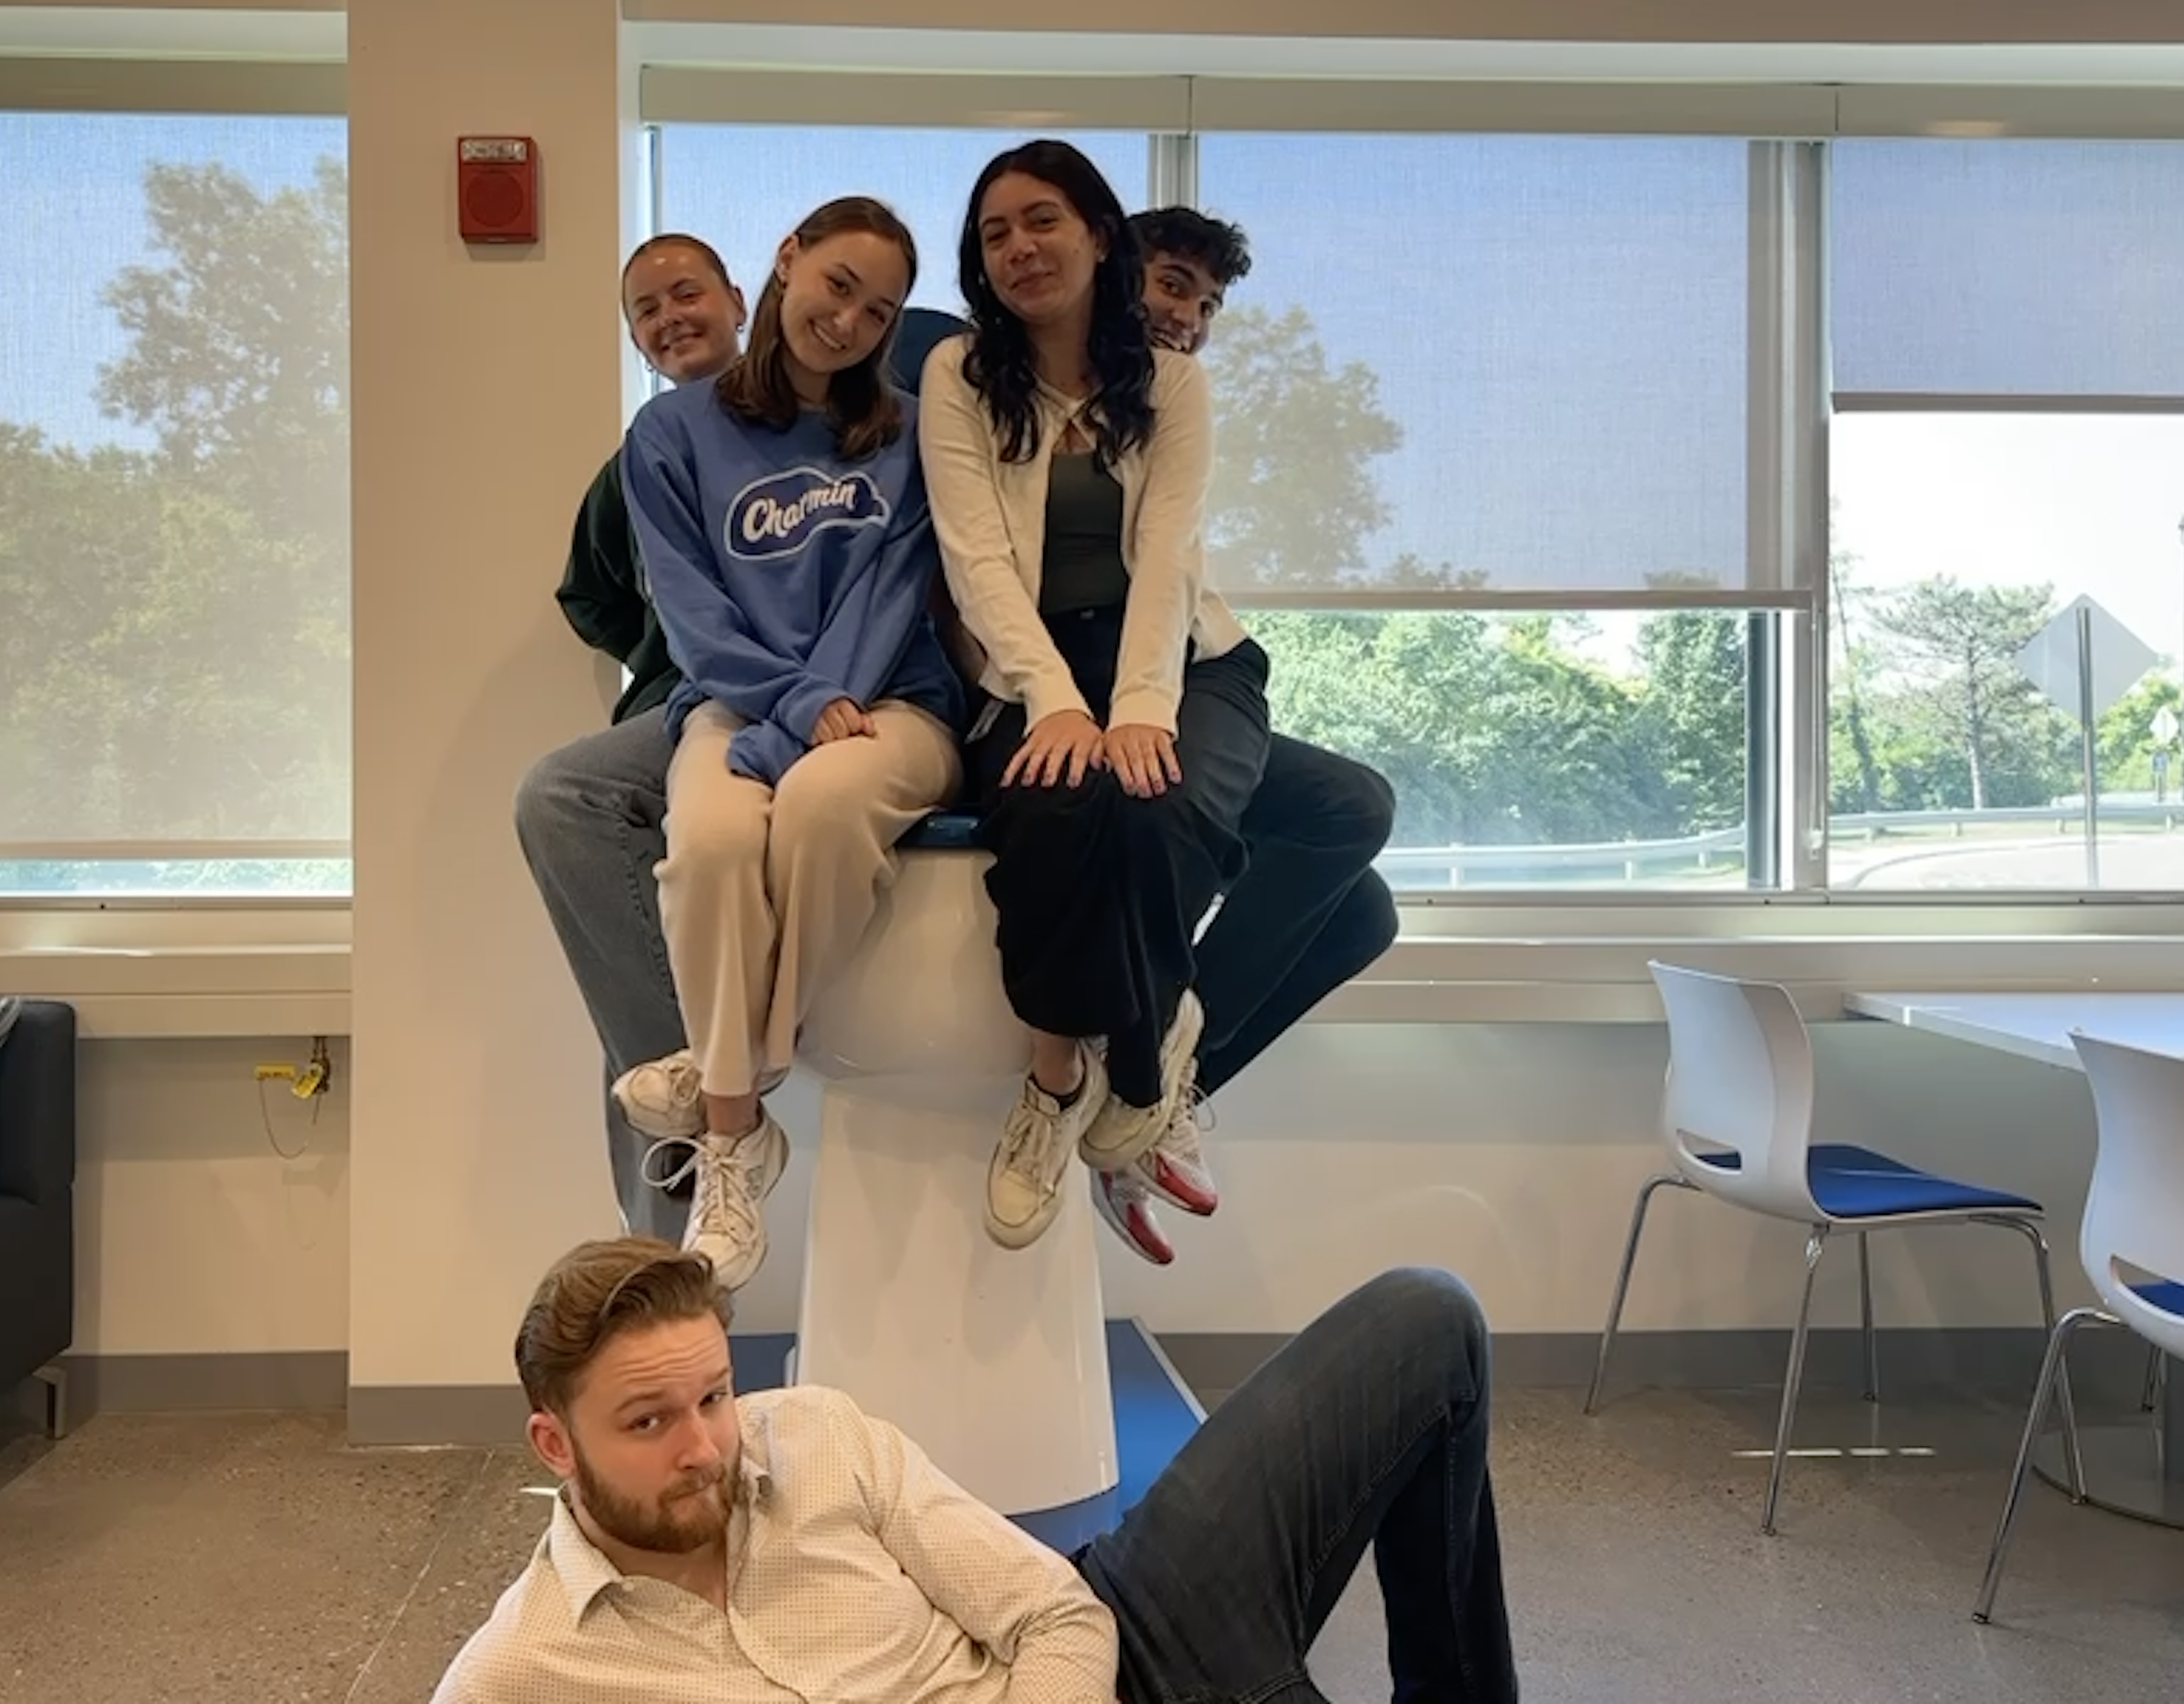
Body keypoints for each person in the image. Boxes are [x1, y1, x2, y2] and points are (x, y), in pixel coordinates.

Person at [428, 1234, 1518, 1702]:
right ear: (555, 1445)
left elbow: (1059, 1615)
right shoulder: (519, 1675)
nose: (707, 1447)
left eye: (714, 1396)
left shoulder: (815, 1431)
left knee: (1424, 1320)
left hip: (1120, 1641)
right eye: (649, 1422)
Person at [515, 237, 968, 1244]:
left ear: (739, 292)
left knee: (803, 811)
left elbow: (895, 594)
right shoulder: (657, 443)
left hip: (865, 700)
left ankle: (720, 1074)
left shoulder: (900, 425)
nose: (848, 319)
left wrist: (808, 708)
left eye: (875, 306)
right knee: (675, 840)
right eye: (645, 309)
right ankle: (675, 1210)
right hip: (721, 698)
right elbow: (618, 599)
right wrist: (713, 681)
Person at [919, 141, 1272, 1252]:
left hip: (1182, 659)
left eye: (1043, 221)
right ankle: (1063, 1082)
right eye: (995, 233)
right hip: (1036, 663)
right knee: (1050, 807)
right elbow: (975, 558)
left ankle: (1140, 1070)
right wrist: (1056, 702)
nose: (1019, 248)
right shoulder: (960, 375)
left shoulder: (1172, 383)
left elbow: (1168, 555)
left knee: (1160, 804)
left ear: (1098, 234)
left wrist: (1138, 713)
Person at [1086, 208, 1401, 1267]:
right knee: (1349, 813)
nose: (1190, 317)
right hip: (1118, 696)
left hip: (1197, 671)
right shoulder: (1040, 398)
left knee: (1363, 912)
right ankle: (1147, 1091)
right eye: (1172, 285)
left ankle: (1154, 1102)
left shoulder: (1172, 407)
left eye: (1208, 304)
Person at [516, 234, 751, 1242]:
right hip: (675, 717)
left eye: (686, 293)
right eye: (645, 313)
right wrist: (662, 657)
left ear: (738, 300)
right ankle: (663, 1265)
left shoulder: (811, 433)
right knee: (630, 1006)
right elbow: (591, 595)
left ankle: (697, 1095)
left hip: (792, 717)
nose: (669, 318)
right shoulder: (636, 464)